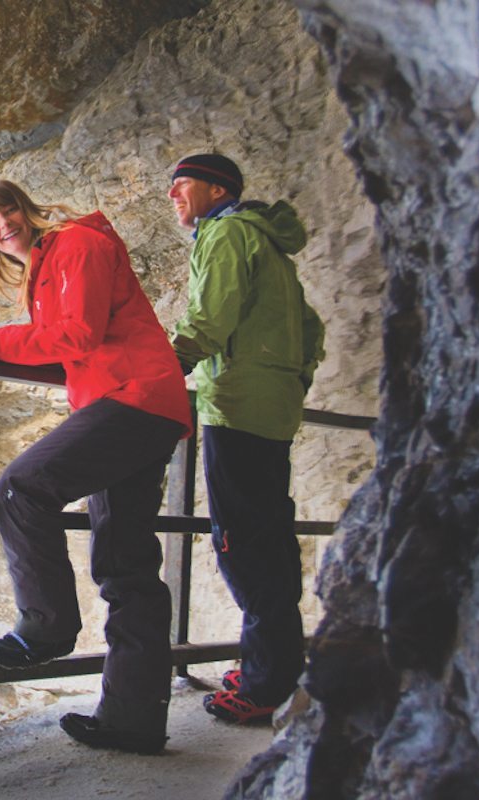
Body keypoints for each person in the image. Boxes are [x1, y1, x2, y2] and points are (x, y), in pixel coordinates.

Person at [0, 179, 193, 754]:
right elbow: (72, 336)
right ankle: (133, 720)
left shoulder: (76, 244)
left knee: (20, 490)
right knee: (127, 565)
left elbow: (77, 335)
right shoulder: (48, 266)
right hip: (139, 403)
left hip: (133, 399)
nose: (2, 225)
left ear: (27, 210)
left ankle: (46, 627)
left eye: (7, 210)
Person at [165, 153, 324, 725]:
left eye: (181, 185)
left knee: (244, 547)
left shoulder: (227, 232)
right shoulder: (268, 242)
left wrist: (163, 368)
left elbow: (209, 318)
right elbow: (311, 329)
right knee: (270, 538)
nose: (173, 196)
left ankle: (262, 686)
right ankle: (277, 664)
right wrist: (290, 380)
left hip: (236, 405)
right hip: (272, 405)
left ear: (216, 188)